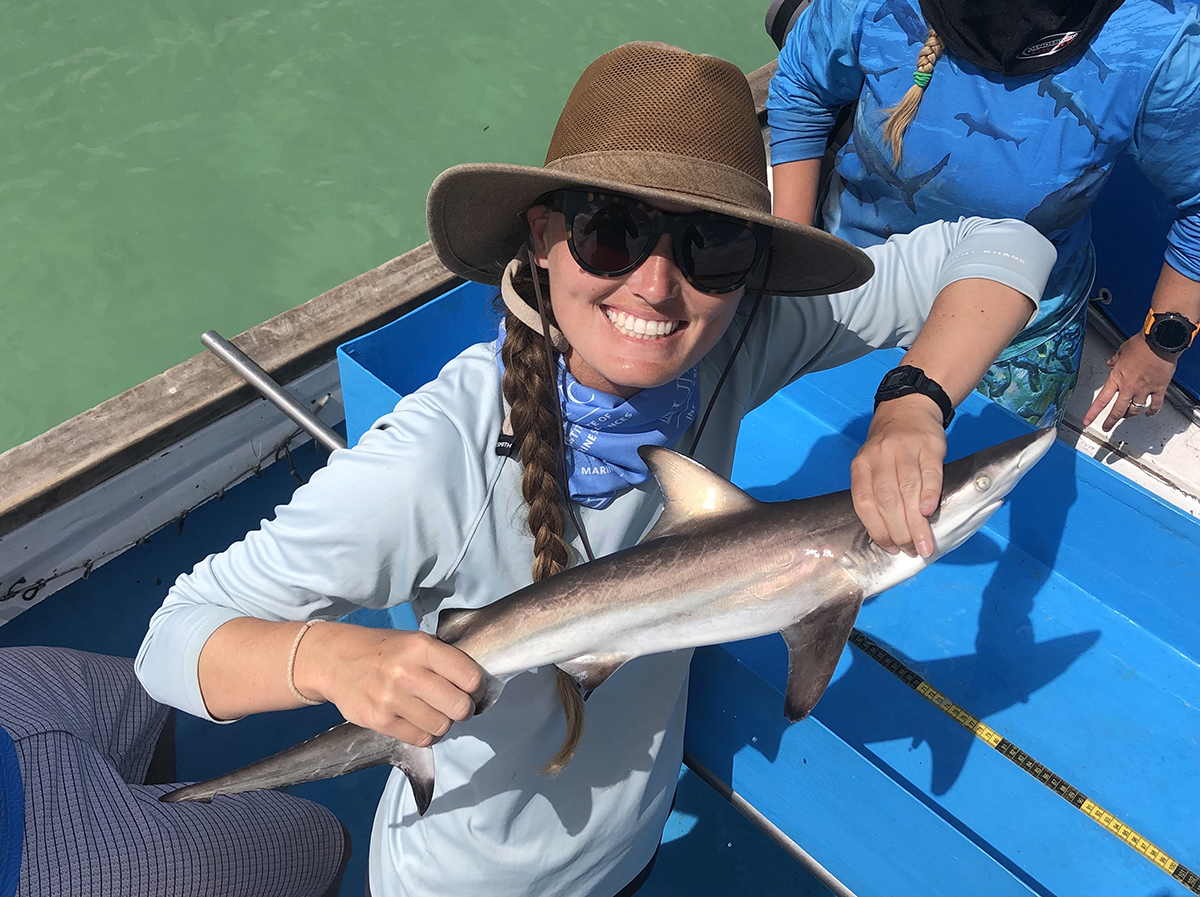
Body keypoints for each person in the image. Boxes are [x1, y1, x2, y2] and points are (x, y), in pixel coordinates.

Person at [135, 42, 1055, 897]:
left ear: (749, 272)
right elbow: (172, 644)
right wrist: (335, 656)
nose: (658, 286)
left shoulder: (736, 341)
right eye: (613, 233)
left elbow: (1010, 246)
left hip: (627, 853)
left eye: (713, 245)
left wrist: (913, 399)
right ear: (543, 236)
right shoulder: (432, 463)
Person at [766, 0, 1200, 430]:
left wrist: (1161, 344)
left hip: (1019, 327)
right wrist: (791, 259)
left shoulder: (1161, 40)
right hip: (851, 271)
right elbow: (802, 89)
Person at [0, 646, 347, 897]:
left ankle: (159, 808)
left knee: (155, 689)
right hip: (33, 867)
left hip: (13, 703)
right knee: (323, 838)